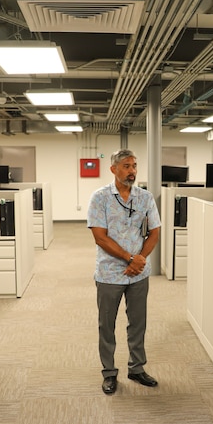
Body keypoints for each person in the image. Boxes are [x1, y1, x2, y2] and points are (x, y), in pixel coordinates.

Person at [87, 149, 161, 395]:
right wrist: (130, 258)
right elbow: (100, 237)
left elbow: (155, 233)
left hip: (138, 273)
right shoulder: (100, 198)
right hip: (109, 273)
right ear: (114, 169)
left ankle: (137, 368)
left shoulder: (145, 197)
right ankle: (109, 373)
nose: (132, 171)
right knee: (106, 325)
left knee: (138, 323)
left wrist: (139, 261)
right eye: (127, 166)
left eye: (134, 166)